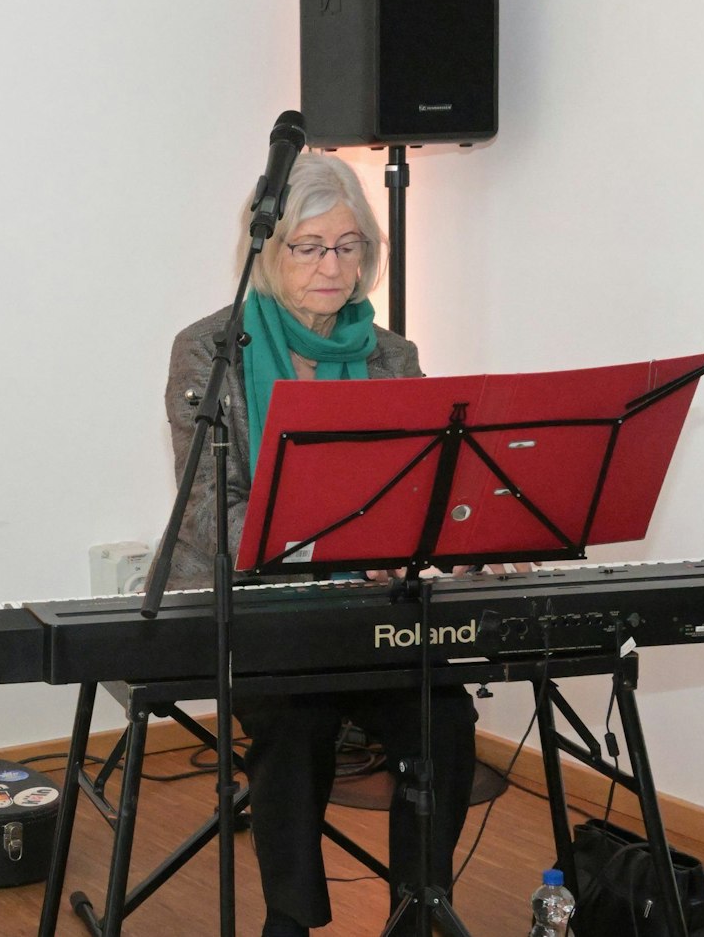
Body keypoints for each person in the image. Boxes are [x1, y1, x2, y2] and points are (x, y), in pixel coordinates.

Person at [162, 153, 477, 937]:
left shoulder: (392, 357)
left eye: (350, 246)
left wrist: (466, 532)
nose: (333, 266)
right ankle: (290, 921)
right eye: (310, 246)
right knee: (296, 718)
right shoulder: (210, 351)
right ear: (269, 251)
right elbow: (207, 511)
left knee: (444, 716)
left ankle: (417, 913)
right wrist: (322, 545)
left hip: (375, 611)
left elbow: (430, 487)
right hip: (260, 608)